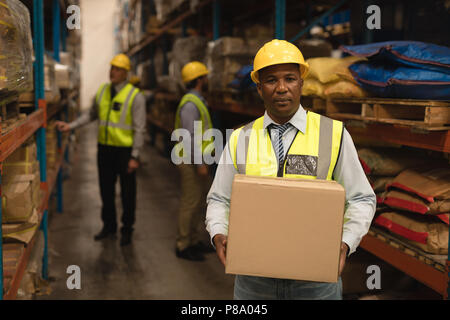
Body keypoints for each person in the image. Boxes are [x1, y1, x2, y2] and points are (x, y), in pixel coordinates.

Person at [205, 40, 376, 299]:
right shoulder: (240, 138)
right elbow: (219, 198)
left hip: (315, 282)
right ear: (259, 87)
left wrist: (345, 244)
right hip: (255, 283)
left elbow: (361, 198)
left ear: (302, 83)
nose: (282, 88)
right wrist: (219, 232)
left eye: (290, 78)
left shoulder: (334, 134)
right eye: (271, 80)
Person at [55, 53, 146, 246]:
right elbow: (91, 115)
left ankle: (127, 229)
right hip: (105, 149)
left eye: (118, 69)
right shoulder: (103, 91)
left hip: (125, 151)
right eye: (112, 68)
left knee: (128, 193)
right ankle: (109, 226)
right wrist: (70, 126)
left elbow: (139, 129)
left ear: (126, 73)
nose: (113, 72)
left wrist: (135, 156)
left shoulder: (135, 96)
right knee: (106, 190)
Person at [173, 61, 215, 261]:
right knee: (190, 202)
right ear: (199, 80)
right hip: (190, 161)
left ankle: (194, 239)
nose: (207, 80)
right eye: (204, 76)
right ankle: (183, 245)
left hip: (198, 159)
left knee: (199, 202)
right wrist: (199, 164)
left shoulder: (197, 100)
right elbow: (189, 137)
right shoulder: (190, 104)